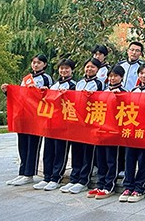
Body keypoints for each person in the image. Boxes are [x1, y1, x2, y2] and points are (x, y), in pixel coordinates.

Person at [2, 54, 53, 187]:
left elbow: (50, 96)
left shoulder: (46, 78)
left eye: (39, 62)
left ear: (44, 65)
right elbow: (19, 96)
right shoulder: (26, 79)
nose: (35, 65)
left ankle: (29, 174)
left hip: (36, 117)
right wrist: (7, 92)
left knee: (33, 145)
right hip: (24, 116)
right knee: (22, 144)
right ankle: (22, 172)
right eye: (34, 62)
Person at [60, 58, 104, 194]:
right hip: (76, 122)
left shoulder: (99, 83)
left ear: (97, 69)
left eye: (92, 67)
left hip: (90, 122)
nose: (89, 69)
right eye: (87, 67)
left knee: (88, 152)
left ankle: (83, 180)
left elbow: (101, 101)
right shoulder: (79, 83)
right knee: (76, 151)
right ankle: (74, 178)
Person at [33, 59, 75, 191]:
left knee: (60, 151)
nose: (64, 71)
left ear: (72, 70)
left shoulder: (73, 85)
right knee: (48, 151)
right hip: (50, 122)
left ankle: (56, 178)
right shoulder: (54, 85)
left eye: (67, 68)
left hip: (64, 124)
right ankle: (47, 177)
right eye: (61, 68)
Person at [120, 63, 145, 203]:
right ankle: (128, 186)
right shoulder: (133, 90)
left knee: (142, 160)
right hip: (131, 131)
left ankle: (140, 188)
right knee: (129, 159)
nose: (144, 76)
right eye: (141, 73)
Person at [87, 64, 125, 200]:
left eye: (116, 76)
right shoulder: (103, 92)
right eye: (111, 76)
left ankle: (109, 185)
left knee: (111, 160)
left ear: (121, 77)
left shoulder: (124, 93)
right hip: (101, 131)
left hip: (114, 132)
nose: (113, 78)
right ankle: (100, 183)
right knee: (101, 159)